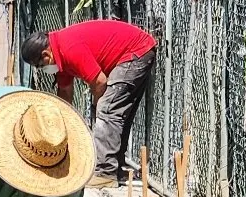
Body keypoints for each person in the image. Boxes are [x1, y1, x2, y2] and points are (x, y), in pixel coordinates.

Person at [21, 19, 157, 188]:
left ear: (46, 55)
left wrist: (96, 105)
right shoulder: (58, 54)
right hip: (135, 51)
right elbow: (65, 92)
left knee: (107, 110)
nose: (43, 70)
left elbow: (100, 82)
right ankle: (115, 168)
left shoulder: (69, 49)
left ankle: (105, 173)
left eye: (40, 66)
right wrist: (61, 125)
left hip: (136, 52)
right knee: (115, 113)